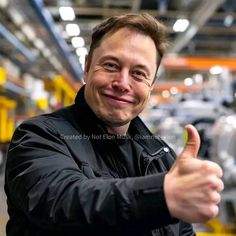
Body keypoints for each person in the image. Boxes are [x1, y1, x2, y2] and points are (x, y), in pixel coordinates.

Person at [4, 13, 224, 236]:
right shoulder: (37, 136)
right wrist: (162, 195)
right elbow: (61, 201)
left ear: (151, 85)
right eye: (111, 65)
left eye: (138, 73)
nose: (122, 83)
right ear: (87, 67)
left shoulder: (160, 156)